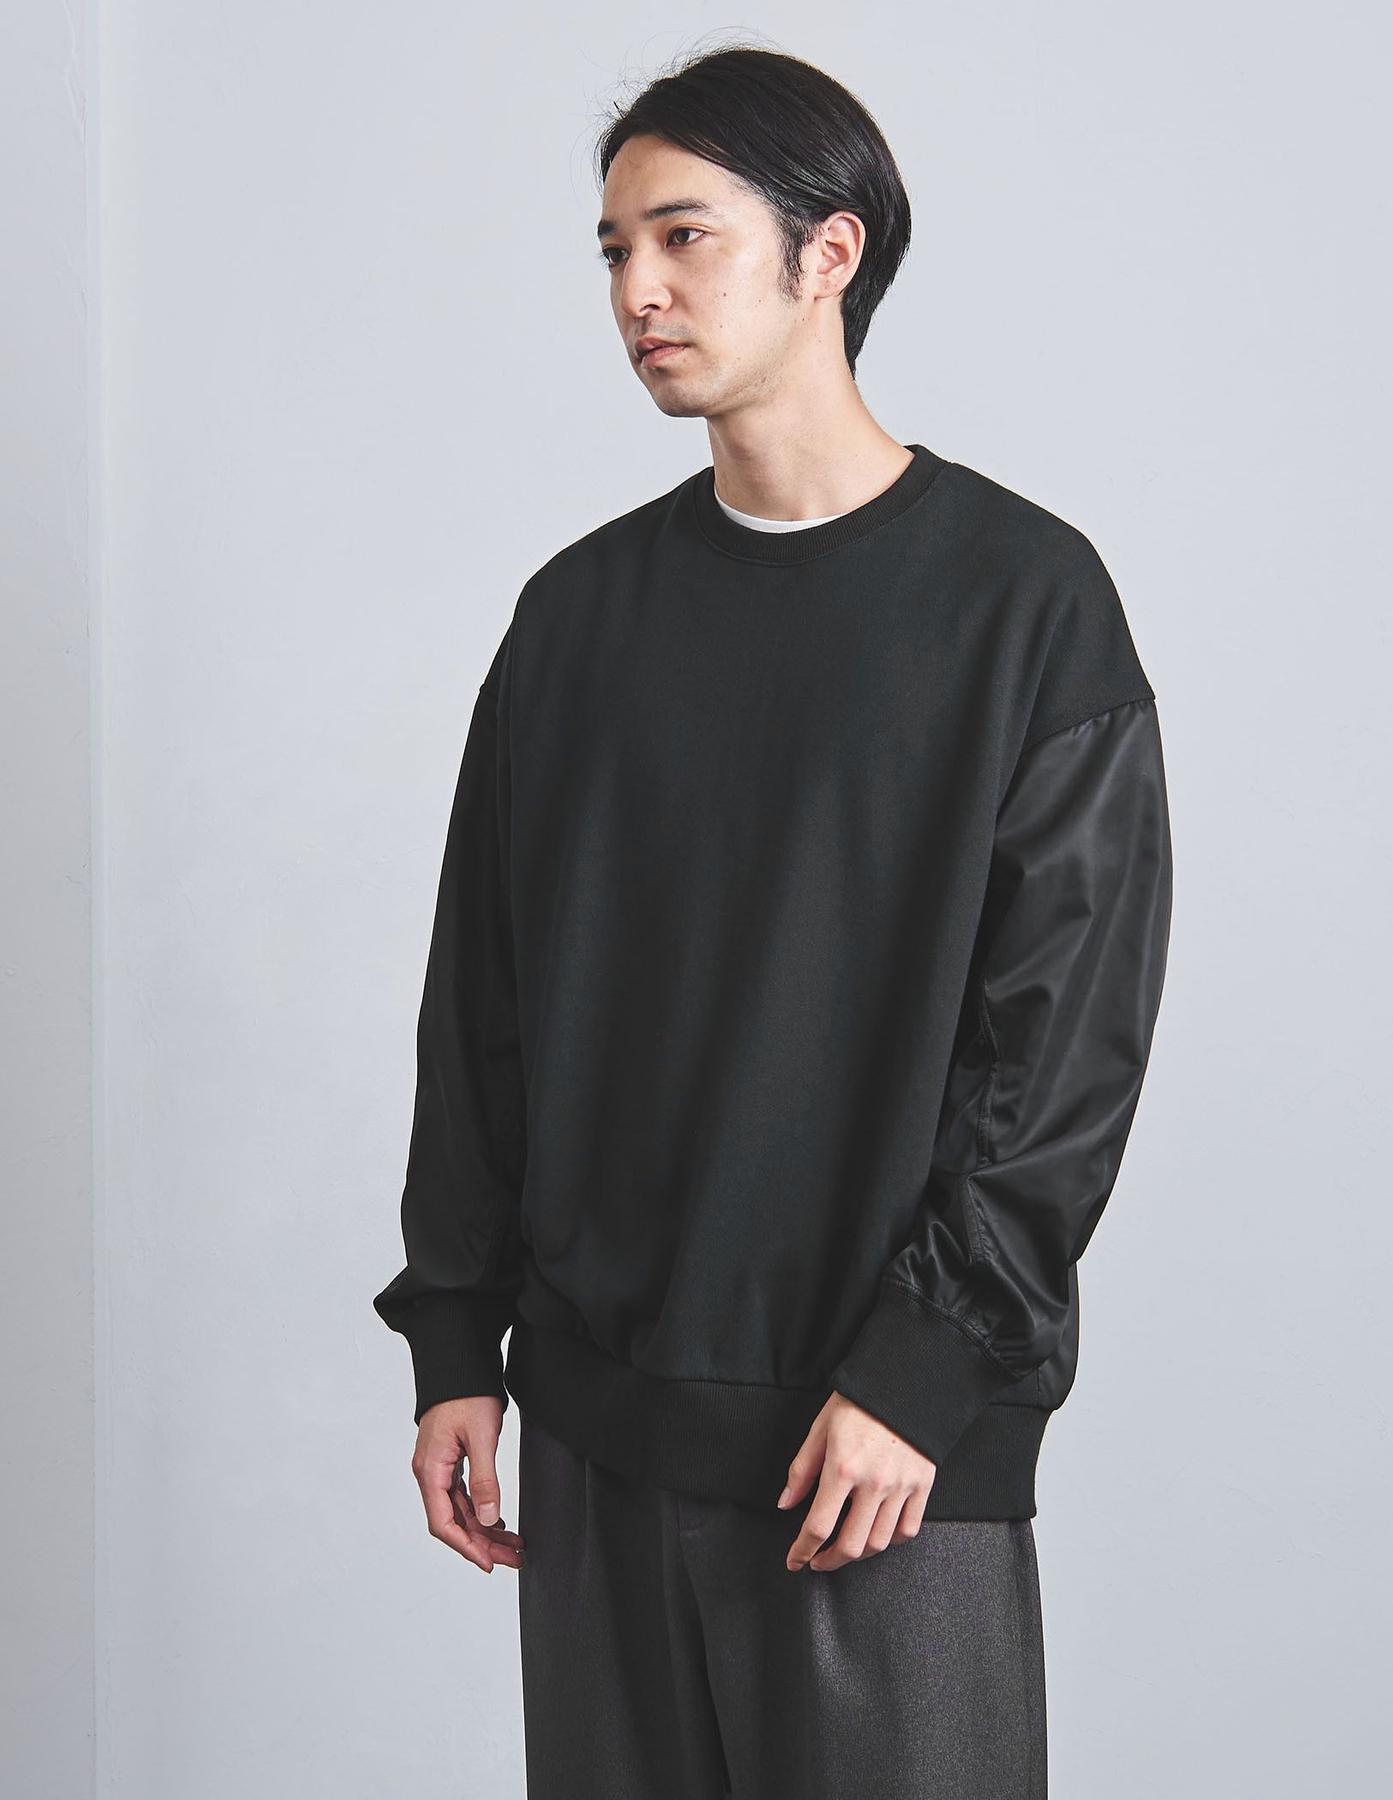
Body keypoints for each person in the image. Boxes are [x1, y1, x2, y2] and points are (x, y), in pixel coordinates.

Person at [373, 42, 1173, 1800]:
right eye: (612, 250)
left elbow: (1060, 1056)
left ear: (832, 252)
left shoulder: (1026, 609)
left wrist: (927, 1369)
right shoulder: (574, 622)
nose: (636, 292)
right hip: (600, 1429)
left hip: (876, 1451)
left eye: (684, 237)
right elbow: (480, 1007)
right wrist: (455, 1340)